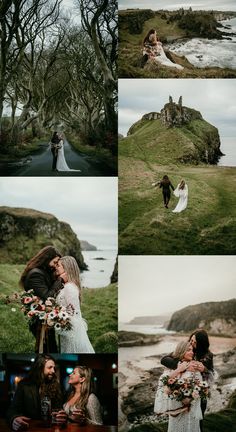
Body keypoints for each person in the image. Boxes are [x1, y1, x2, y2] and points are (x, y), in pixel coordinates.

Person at [161, 329, 214, 432]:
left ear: (202, 344)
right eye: (191, 340)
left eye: (195, 342)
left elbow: (211, 374)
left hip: (199, 393)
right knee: (181, 420)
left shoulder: (208, 356)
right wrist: (182, 365)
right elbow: (164, 359)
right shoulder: (187, 348)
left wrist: (204, 369)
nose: (192, 343)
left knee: (198, 422)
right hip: (182, 391)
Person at [20, 245, 63, 352]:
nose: (56, 265)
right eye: (55, 261)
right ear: (47, 258)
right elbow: (48, 296)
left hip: (45, 319)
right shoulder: (36, 274)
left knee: (49, 347)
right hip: (40, 322)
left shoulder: (43, 271)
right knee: (46, 348)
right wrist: (60, 280)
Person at [7, 354, 67, 431]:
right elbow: (12, 410)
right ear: (40, 368)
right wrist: (14, 419)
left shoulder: (56, 386)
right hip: (29, 428)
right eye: (49, 368)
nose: (53, 371)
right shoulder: (24, 385)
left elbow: (60, 410)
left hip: (50, 429)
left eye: (54, 368)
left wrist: (62, 417)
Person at [155, 341, 203, 432]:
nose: (192, 352)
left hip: (191, 407)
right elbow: (164, 382)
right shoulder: (172, 366)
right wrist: (179, 369)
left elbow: (200, 385)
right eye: (188, 350)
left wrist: (191, 398)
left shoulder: (194, 366)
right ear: (181, 351)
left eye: (192, 350)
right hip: (177, 408)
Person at [55, 256, 95, 353]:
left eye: (59, 266)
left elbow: (73, 312)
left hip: (71, 331)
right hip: (67, 328)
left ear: (66, 268)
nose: (56, 267)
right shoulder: (68, 285)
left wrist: (59, 318)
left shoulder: (69, 287)